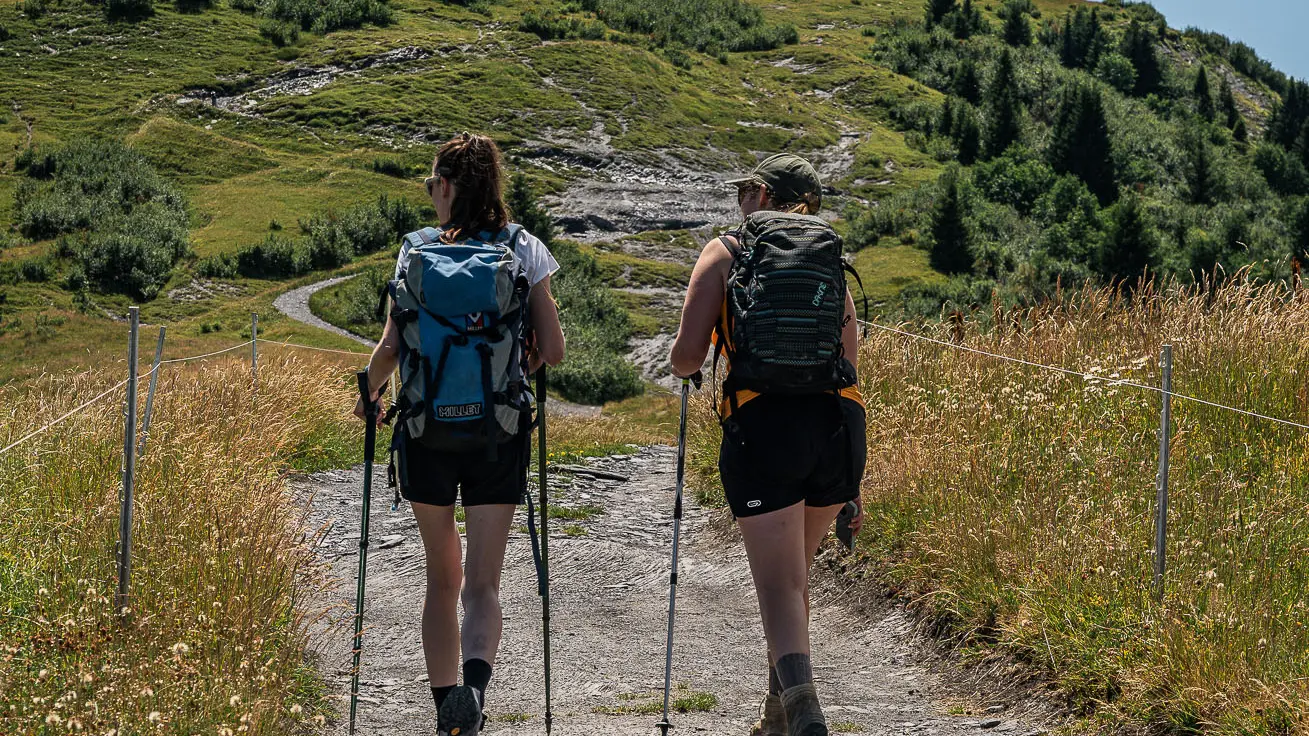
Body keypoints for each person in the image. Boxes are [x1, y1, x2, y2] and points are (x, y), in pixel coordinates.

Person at [355, 133, 565, 736]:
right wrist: (509, 369)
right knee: (483, 581)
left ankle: (447, 706)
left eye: (431, 186)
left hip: (424, 433)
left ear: (448, 187)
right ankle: (474, 690)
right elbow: (553, 348)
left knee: (440, 576)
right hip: (497, 434)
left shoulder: (414, 252)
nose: (430, 196)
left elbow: (393, 346)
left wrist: (368, 394)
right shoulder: (523, 247)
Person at [668, 154, 866, 736]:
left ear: (759, 194)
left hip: (764, 426)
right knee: (796, 576)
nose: (738, 204)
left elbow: (683, 357)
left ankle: (806, 712)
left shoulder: (726, 252)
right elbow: (849, 363)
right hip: (837, 428)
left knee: (779, 586)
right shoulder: (830, 256)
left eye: (742, 192)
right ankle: (775, 715)